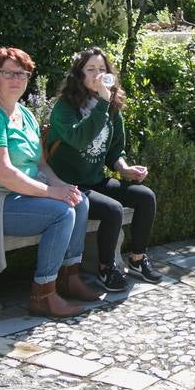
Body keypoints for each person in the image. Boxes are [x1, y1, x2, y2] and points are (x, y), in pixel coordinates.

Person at [0, 47, 104, 319]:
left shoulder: (24, 114)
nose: (16, 80)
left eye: (22, 74)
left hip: (17, 194)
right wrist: (51, 192)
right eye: (8, 73)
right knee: (61, 213)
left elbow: (41, 164)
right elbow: (4, 173)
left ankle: (69, 277)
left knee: (79, 201)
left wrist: (63, 188)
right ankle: (43, 294)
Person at [46, 47, 162, 289]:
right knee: (113, 209)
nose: (97, 74)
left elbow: (114, 151)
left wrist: (125, 168)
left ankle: (137, 259)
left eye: (102, 69)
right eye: (91, 69)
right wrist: (102, 102)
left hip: (95, 180)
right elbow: (79, 139)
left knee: (145, 196)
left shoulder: (110, 108)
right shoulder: (64, 108)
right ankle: (106, 268)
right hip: (66, 185)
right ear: (79, 75)